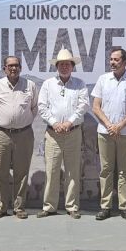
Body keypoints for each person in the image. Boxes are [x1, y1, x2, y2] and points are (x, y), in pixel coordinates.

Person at [91, 48, 126, 222]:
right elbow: (96, 107)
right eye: (111, 59)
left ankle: (124, 206)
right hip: (105, 132)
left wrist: (120, 126)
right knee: (106, 169)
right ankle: (105, 207)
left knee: (124, 171)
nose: (112, 62)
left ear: (125, 62)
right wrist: (109, 125)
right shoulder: (103, 79)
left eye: (116, 60)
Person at [36, 48, 89, 219]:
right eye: (61, 64)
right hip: (53, 134)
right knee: (51, 170)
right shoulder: (48, 84)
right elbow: (42, 107)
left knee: (72, 171)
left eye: (67, 64)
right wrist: (54, 123)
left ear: (72, 66)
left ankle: (72, 206)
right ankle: (49, 206)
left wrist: (69, 122)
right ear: (56, 66)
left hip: (73, 132)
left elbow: (83, 106)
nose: (64, 67)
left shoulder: (80, 84)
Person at [0, 56, 38, 220]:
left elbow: (34, 108)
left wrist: (21, 122)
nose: (13, 68)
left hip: (24, 134)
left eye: (16, 65)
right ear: (4, 68)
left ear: (20, 68)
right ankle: (1, 206)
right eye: (10, 66)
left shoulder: (30, 85)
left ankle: (19, 207)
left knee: (21, 172)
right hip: (1, 133)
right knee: (0, 171)